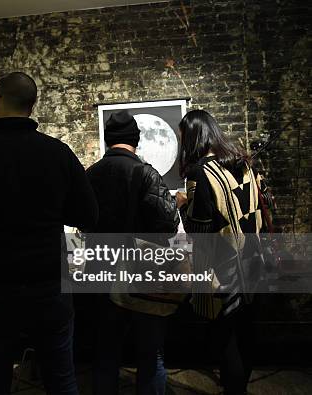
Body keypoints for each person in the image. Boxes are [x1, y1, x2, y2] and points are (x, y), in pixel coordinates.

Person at [0, 72, 98, 394]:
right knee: (60, 377)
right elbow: (88, 214)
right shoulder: (58, 152)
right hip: (50, 285)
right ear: (32, 106)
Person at [85, 110, 179, 394]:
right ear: (136, 140)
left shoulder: (89, 174)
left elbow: (80, 221)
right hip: (143, 279)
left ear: (107, 141)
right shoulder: (147, 173)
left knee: (104, 357)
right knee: (151, 357)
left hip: (100, 276)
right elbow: (168, 226)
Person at [176, 109, 264, 395]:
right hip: (252, 260)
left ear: (193, 137)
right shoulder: (243, 163)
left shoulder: (201, 172)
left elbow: (198, 231)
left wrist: (181, 205)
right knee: (246, 334)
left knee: (224, 340)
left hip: (223, 268)